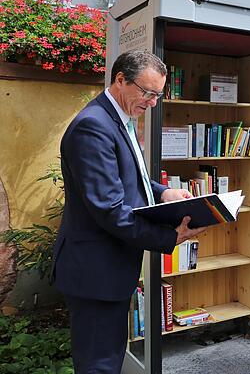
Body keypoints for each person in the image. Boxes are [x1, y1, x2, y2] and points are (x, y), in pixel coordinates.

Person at [52, 50, 208, 373]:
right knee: (99, 365)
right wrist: (169, 236)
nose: (152, 102)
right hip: (95, 274)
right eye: (147, 92)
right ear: (120, 80)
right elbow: (109, 209)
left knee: (109, 357)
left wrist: (164, 192)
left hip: (108, 271)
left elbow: (131, 175)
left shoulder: (119, 118)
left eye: (158, 95)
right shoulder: (92, 128)